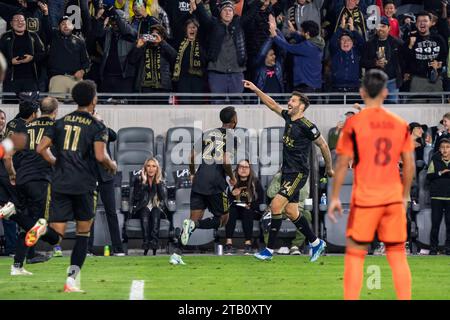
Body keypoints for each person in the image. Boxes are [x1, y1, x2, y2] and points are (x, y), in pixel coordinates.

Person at [327, 69, 415, 300]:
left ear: (361, 92)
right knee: (397, 255)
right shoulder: (399, 123)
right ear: (386, 92)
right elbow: (409, 165)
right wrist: (405, 196)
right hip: (393, 199)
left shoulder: (354, 123)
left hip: (366, 199)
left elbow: (343, 162)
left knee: (355, 255)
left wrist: (335, 197)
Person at [29, 80, 117, 293]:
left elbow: (41, 148)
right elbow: (99, 155)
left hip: (59, 183)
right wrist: (111, 164)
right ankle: (71, 282)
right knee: (82, 233)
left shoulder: (59, 122)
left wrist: (56, 162)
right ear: (94, 99)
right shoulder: (97, 126)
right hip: (83, 185)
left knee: (56, 235)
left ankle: (41, 228)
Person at [243, 79, 333, 262]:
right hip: (287, 173)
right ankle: (316, 243)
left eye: (293, 101)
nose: (289, 103)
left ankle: (268, 251)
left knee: (276, 206)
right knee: (292, 212)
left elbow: (323, 145)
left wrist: (329, 168)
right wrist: (255, 89)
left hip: (299, 173)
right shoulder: (288, 117)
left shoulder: (307, 126)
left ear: (302, 106)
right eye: (290, 100)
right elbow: (272, 104)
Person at [6, 97, 58, 275]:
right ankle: (14, 214)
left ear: (39, 111)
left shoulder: (25, 127)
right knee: (39, 224)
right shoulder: (54, 128)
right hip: (39, 180)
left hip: (21, 179)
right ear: (55, 111)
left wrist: (12, 174)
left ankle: (17, 266)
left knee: (30, 225)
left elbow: (6, 156)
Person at [180, 106, 238, 247]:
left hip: (199, 179)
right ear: (234, 120)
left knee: (192, 219)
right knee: (223, 218)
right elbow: (225, 160)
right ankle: (195, 225)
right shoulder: (231, 137)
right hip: (215, 183)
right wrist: (232, 177)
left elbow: (192, 156)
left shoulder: (207, 133)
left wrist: (193, 173)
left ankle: (177, 252)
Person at [129, 157, 168, 256]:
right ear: (145, 168)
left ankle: (154, 243)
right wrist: (143, 183)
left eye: (154, 166)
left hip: (157, 208)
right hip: (142, 209)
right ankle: (146, 243)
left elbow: (163, 198)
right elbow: (136, 198)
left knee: (155, 211)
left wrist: (158, 183)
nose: (151, 168)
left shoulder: (161, 180)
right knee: (145, 210)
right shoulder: (138, 180)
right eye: (148, 166)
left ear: (157, 169)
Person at [225, 159, 264, 255]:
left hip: (250, 210)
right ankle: (228, 243)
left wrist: (251, 205)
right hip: (235, 209)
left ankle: (248, 244)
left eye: (246, 167)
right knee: (231, 211)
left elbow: (260, 201)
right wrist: (232, 195)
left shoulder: (255, 182)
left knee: (248, 211)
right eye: (241, 167)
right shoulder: (231, 182)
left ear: (250, 169)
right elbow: (224, 200)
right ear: (237, 169)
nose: (243, 169)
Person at [0, 13, 46, 93]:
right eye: (16, 20)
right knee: (9, 104)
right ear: (11, 23)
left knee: (31, 105)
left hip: (31, 79)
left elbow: (43, 54)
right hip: (11, 80)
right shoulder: (5, 37)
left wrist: (32, 58)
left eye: (22, 20)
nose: (20, 22)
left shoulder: (33, 35)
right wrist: (10, 62)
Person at [427, 138, 450, 255]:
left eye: (447, 147)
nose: (445, 149)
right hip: (437, 197)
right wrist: (441, 172)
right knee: (435, 224)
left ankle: (448, 249)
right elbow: (429, 176)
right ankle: (433, 249)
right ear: (439, 149)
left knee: (449, 225)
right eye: (443, 147)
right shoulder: (434, 160)